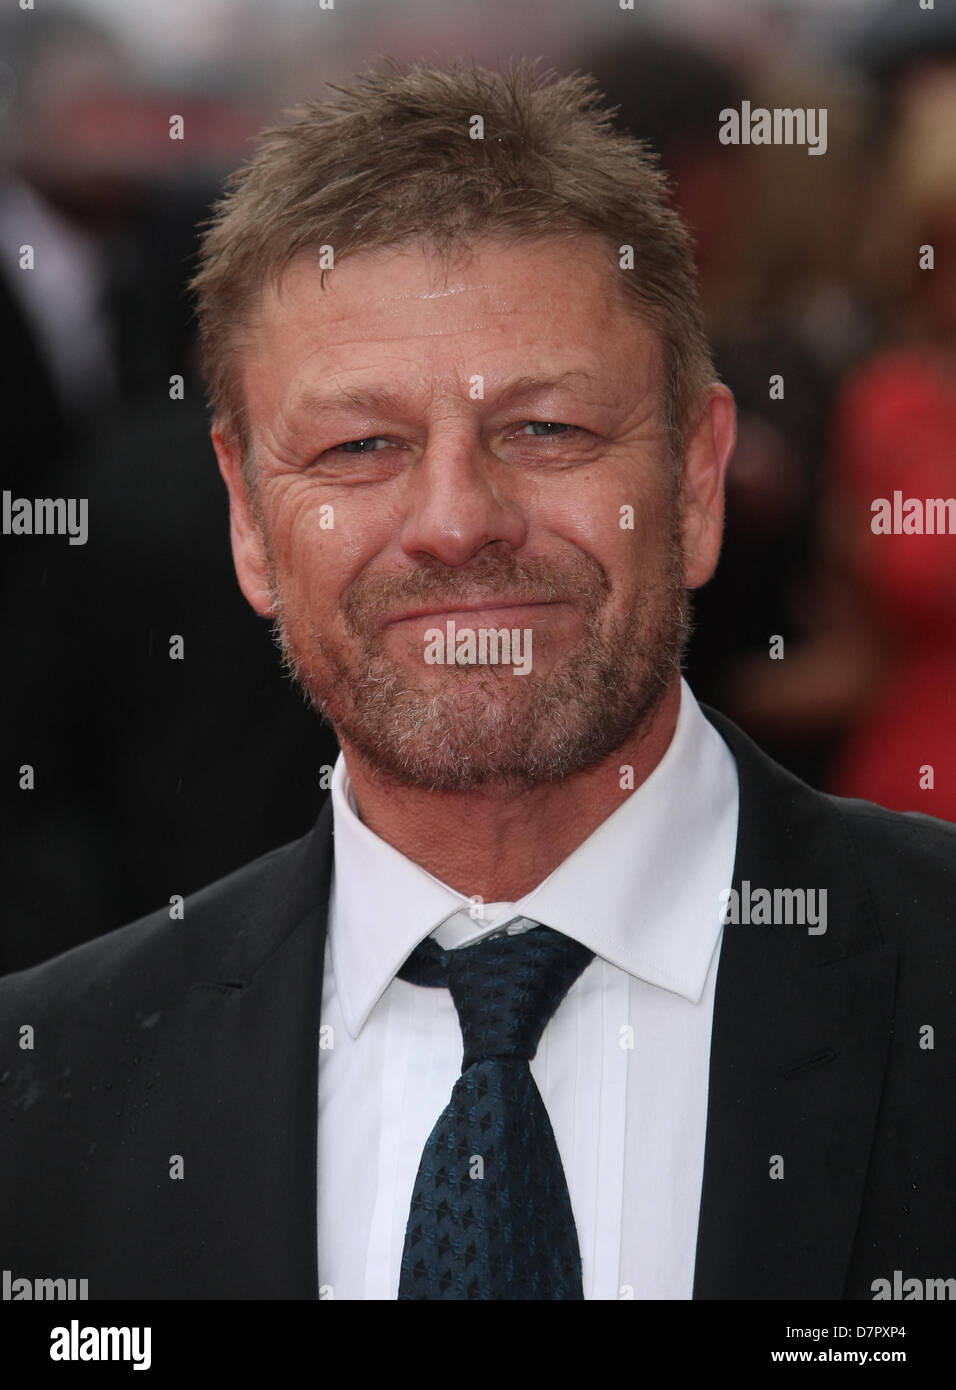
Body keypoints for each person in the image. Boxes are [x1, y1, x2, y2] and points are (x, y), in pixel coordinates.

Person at [1, 58, 954, 1302]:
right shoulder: (48, 1089)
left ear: (694, 480)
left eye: (545, 428)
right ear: (247, 518)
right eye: (360, 446)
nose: (454, 523)